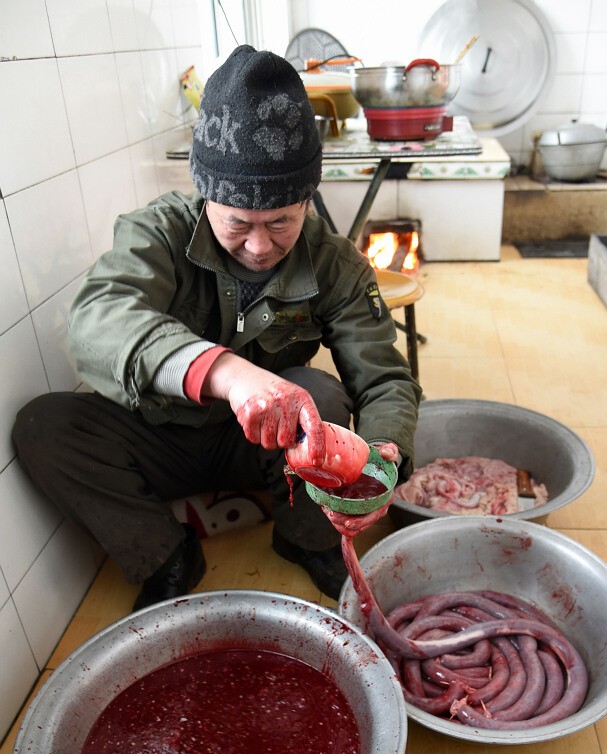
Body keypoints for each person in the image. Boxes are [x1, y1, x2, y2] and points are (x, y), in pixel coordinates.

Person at [13, 45, 421, 610]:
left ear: (308, 200)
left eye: (281, 222)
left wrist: (381, 457)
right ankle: (166, 553)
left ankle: (304, 538)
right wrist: (228, 373)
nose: (259, 246)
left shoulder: (336, 264)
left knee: (321, 394)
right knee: (43, 426)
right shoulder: (156, 233)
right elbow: (94, 321)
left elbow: (384, 381)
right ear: (206, 196)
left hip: (258, 444)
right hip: (155, 433)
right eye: (238, 223)